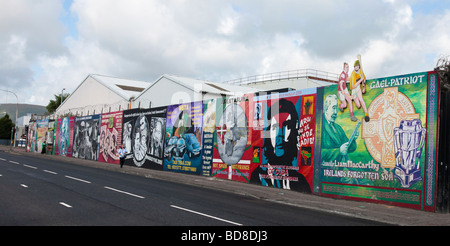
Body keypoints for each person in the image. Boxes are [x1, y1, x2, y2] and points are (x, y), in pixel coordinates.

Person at [321, 95, 358, 163]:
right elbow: (317, 154)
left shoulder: (338, 128)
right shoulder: (320, 127)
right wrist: (339, 151)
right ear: (326, 109)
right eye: (333, 108)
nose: (335, 112)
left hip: (339, 169)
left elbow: (348, 148)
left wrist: (353, 139)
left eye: (336, 109)